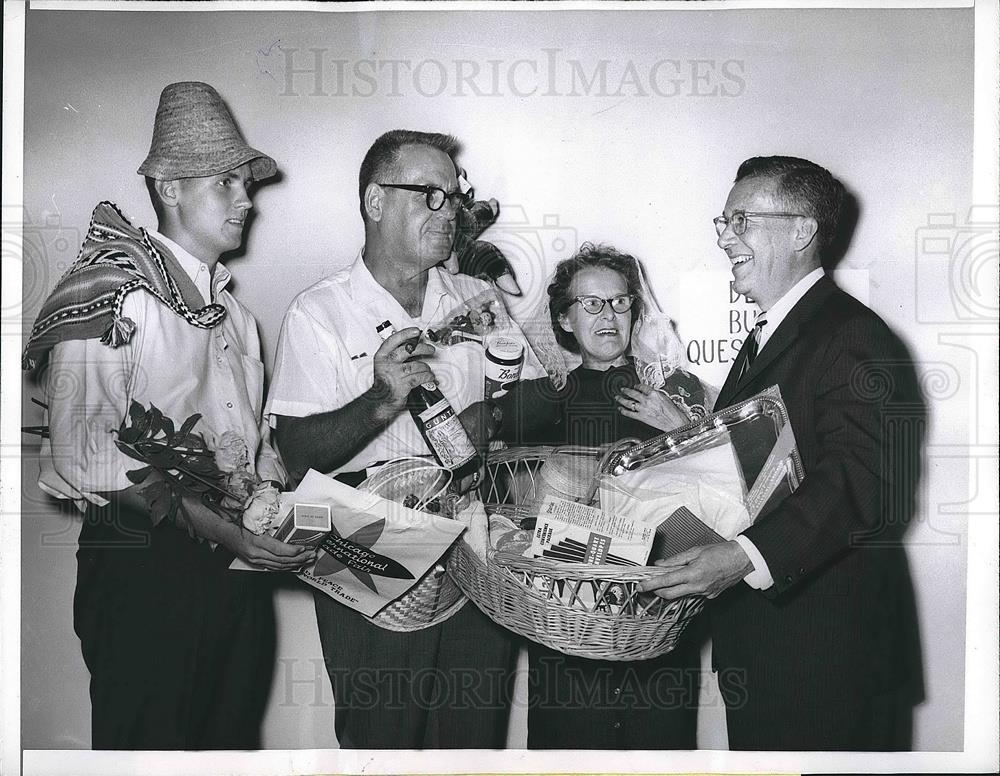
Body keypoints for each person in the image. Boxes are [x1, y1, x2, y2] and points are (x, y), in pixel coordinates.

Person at [23, 82, 313, 749]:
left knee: (229, 750)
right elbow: (82, 451)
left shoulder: (237, 318)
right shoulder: (111, 294)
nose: (247, 201)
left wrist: (280, 506)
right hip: (144, 571)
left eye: (247, 184)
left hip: (235, 575)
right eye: (225, 184)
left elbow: (252, 446)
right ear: (170, 188)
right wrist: (223, 528)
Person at [265, 129, 544, 749]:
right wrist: (380, 400)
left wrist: (492, 417)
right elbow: (296, 456)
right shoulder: (321, 313)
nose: (450, 212)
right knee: (380, 745)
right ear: (375, 202)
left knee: (472, 746)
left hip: (476, 548)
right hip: (366, 552)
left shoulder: (479, 299)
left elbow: (534, 404)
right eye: (429, 195)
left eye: (454, 194)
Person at [641, 156, 924, 750]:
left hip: (828, 662)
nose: (723, 237)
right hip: (779, 653)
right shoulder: (776, 332)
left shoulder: (852, 335)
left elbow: (864, 483)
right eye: (722, 221)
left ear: (802, 231)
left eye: (740, 220)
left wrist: (741, 558)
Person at [492, 242, 700, 750]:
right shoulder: (543, 397)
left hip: (656, 623)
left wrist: (681, 429)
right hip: (568, 628)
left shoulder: (676, 388)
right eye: (591, 303)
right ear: (564, 319)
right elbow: (504, 504)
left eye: (620, 301)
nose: (609, 315)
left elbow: (720, 493)